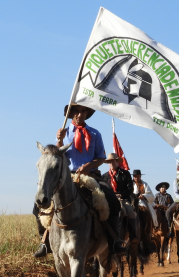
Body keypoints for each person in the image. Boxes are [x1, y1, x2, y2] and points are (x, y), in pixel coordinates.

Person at [34, 104, 126, 258]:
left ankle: (114, 240)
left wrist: (88, 166)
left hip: (91, 175)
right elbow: (55, 156)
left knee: (111, 199)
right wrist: (59, 141)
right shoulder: (63, 132)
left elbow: (101, 157)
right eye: (76, 111)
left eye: (83, 111)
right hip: (66, 177)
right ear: (71, 114)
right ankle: (45, 242)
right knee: (38, 205)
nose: (79, 114)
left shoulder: (95, 133)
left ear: (86, 114)